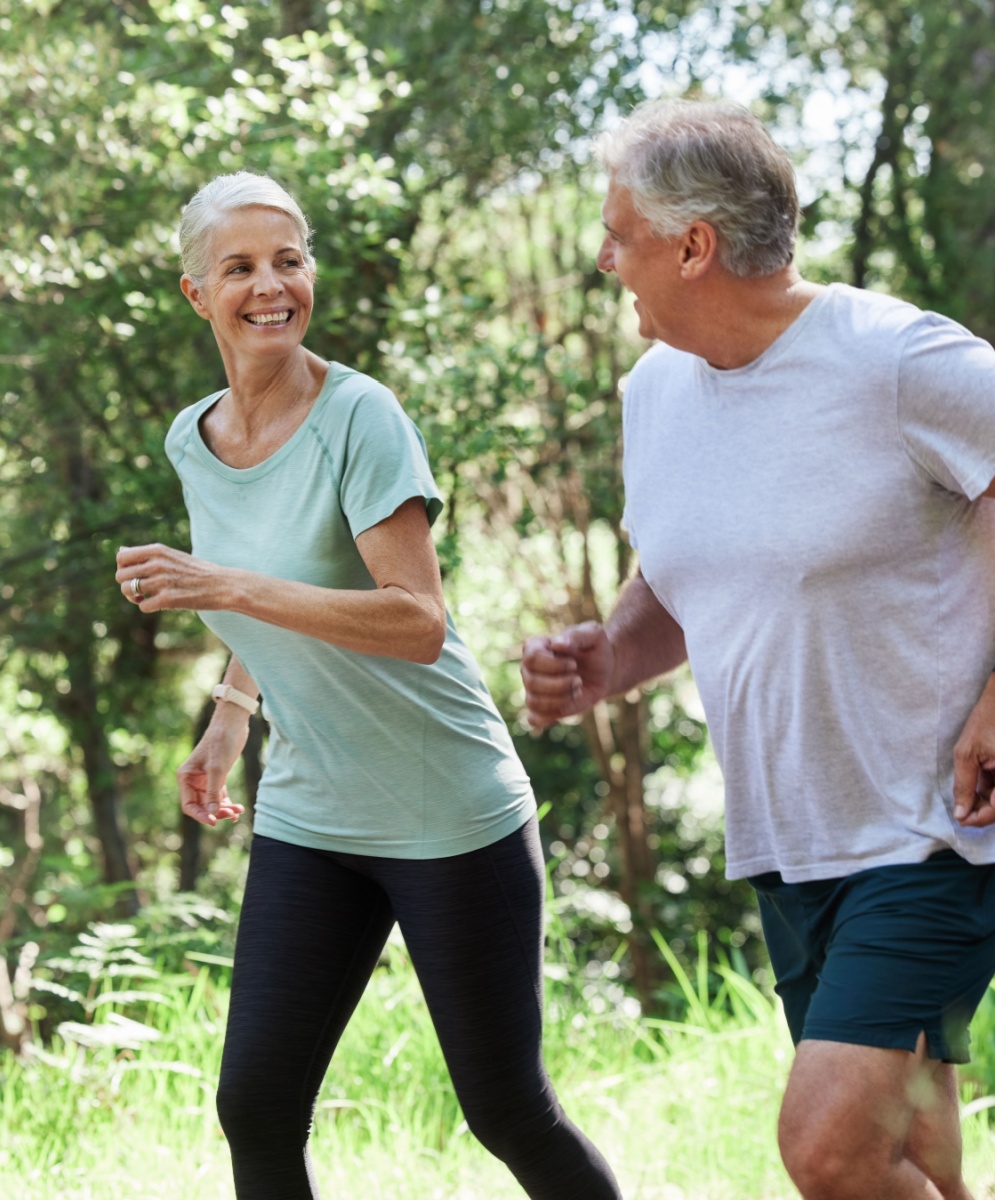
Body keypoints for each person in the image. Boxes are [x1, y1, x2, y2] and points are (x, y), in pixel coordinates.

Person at [521, 99, 995, 1200]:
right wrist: (605, 659)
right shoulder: (657, 389)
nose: (606, 258)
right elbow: (697, 574)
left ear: (693, 246)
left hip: (940, 817)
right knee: (912, 1152)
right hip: (796, 831)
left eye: (618, 234)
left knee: (829, 1150)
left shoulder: (894, 360)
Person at [114, 171, 622, 1200]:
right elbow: (269, 595)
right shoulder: (192, 438)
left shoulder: (360, 417)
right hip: (312, 809)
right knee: (254, 1104)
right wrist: (230, 714)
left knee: (505, 1110)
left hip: (448, 812)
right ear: (195, 293)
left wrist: (228, 584)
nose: (271, 286)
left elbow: (416, 623)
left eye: (289, 260)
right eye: (241, 267)